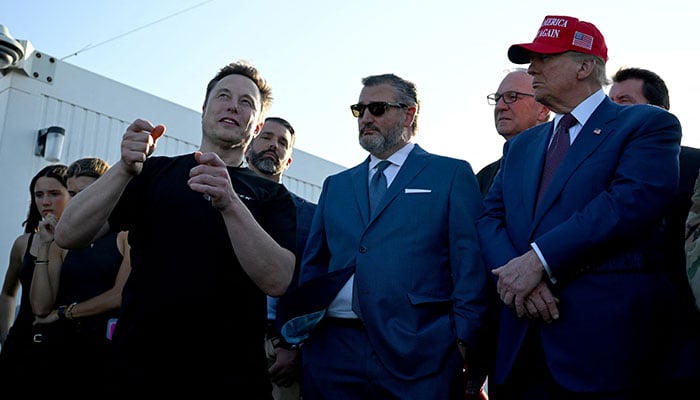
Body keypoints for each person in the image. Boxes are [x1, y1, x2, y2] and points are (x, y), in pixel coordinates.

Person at [478, 14, 700, 399]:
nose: (532, 68)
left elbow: (631, 202)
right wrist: (517, 278)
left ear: (584, 66)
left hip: (603, 351)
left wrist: (538, 261)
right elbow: (489, 217)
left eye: (545, 58)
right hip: (518, 346)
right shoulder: (521, 146)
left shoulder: (645, 125)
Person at [53, 61, 297, 397]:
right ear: (204, 110)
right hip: (140, 370)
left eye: (246, 103)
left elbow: (278, 279)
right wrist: (123, 168)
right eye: (223, 96)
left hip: (230, 377)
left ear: (255, 129)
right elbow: (67, 234)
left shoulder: (273, 196)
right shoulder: (153, 173)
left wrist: (229, 203)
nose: (232, 106)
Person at [281, 73, 489, 399]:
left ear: (409, 113)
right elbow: (314, 266)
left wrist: (463, 340)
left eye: (377, 108)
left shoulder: (450, 174)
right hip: (333, 353)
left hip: (420, 350)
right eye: (359, 110)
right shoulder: (336, 186)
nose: (365, 118)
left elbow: (470, 263)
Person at [29, 157, 132, 394]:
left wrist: (65, 313)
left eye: (86, 192)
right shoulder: (65, 238)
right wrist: (46, 245)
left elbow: (119, 295)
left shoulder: (125, 235)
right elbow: (41, 307)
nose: (79, 201)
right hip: (61, 350)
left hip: (106, 354)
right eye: (73, 194)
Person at [246, 116, 317, 400]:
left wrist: (295, 346)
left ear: (288, 161)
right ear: (248, 144)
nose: (273, 145)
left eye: (282, 143)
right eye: (266, 137)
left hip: (279, 351)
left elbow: (316, 285)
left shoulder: (311, 217)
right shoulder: (215, 196)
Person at [0, 164, 69, 385]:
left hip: (64, 348)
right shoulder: (24, 243)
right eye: (39, 195)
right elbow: (8, 293)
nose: (45, 202)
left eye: (54, 194)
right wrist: (5, 337)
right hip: (21, 344)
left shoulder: (86, 243)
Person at [478, 69, 550, 196]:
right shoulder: (484, 178)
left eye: (512, 97)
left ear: (543, 110)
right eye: (497, 99)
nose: (500, 107)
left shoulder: (561, 163)